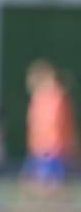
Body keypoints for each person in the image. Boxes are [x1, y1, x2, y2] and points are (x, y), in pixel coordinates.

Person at [23, 60, 77, 198]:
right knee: (34, 184)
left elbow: (54, 125)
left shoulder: (55, 98)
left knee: (52, 186)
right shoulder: (39, 98)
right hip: (41, 148)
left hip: (51, 148)